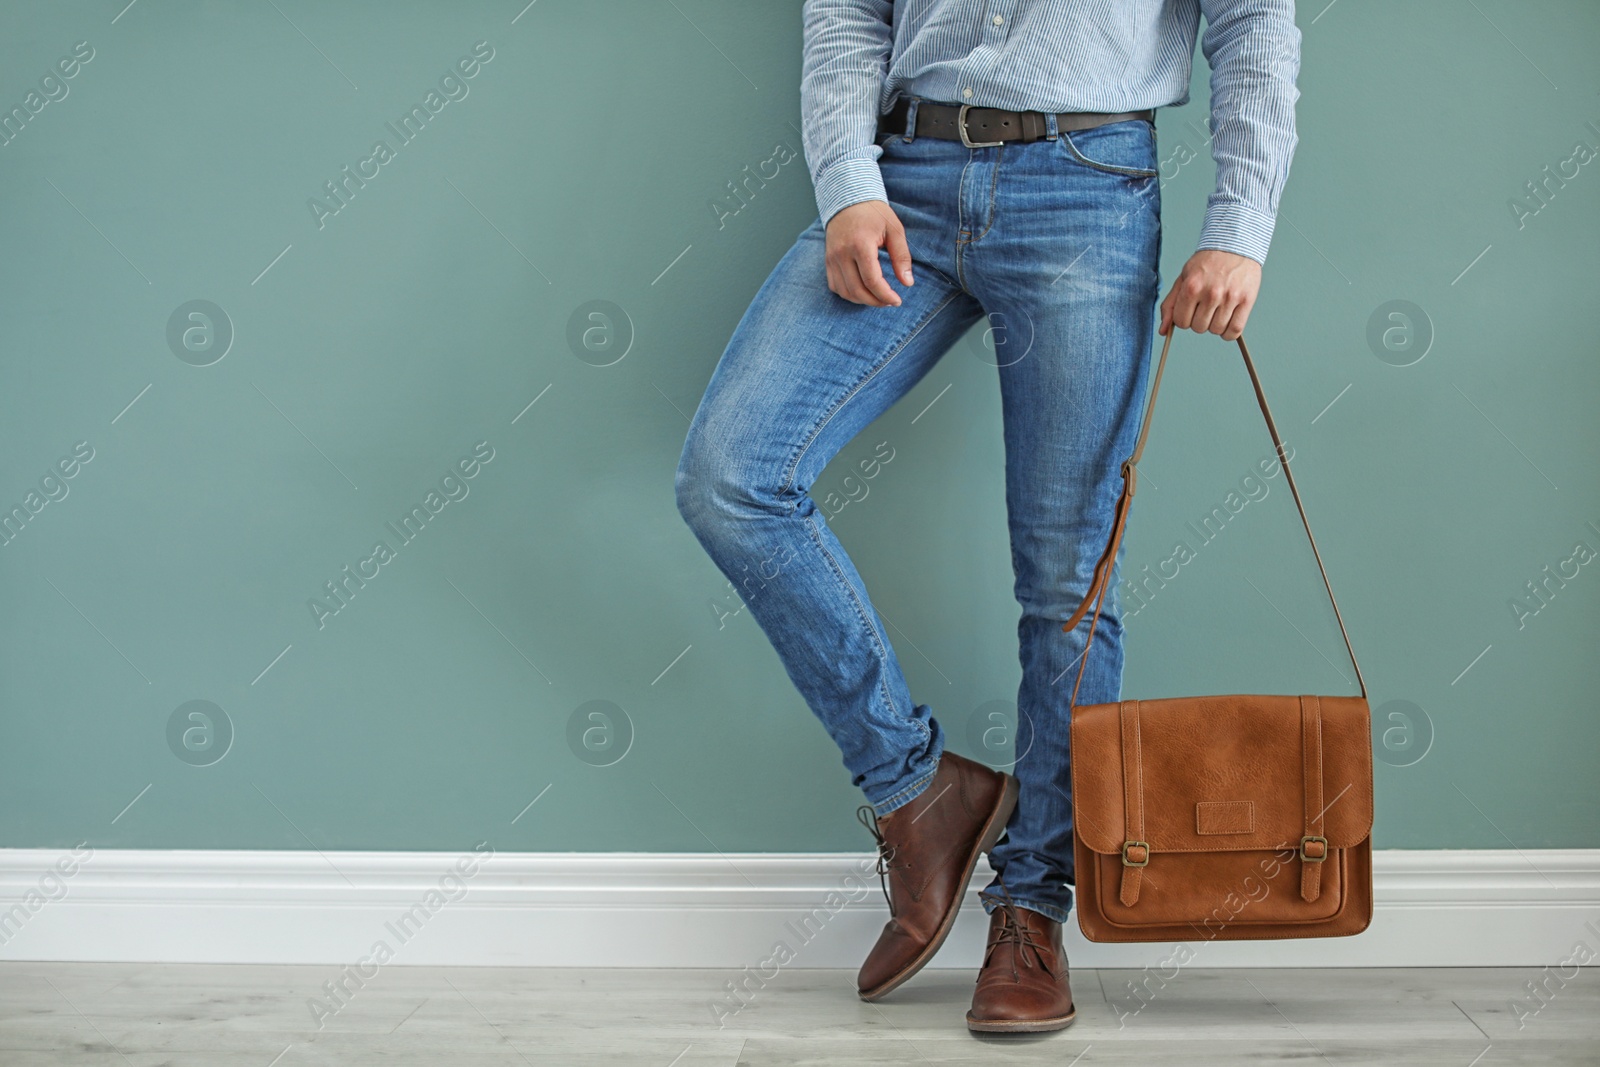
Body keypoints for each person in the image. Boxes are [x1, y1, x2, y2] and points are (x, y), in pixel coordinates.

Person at [675, 0, 1300, 1034]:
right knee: (731, 474)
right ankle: (917, 788)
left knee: (1068, 579)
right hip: (899, 176)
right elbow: (845, 14)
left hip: (1086, 184)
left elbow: (1254, 23)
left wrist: (1239, 225)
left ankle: (1031, 908)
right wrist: (845, 185)